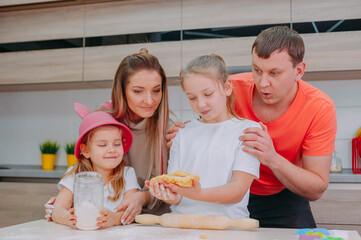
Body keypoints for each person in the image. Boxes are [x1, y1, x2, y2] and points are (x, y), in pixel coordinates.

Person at [167, 26, 337, 228]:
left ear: (298, 71)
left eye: (274, 73)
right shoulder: (232, 88)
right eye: (257, 70)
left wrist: (271, 158)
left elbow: (316, 189)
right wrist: (186, 131)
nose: (262, 83)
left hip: (282, 195)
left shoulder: (319, 107)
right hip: (229, 197)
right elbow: (205, 114)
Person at [46, 48, 171, 225]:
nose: (150, 101)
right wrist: (66, 206)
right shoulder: (104, 119)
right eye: (138, 91)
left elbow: (174, 186)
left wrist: (141, 198)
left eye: (156, 90)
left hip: (155, 222)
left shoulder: (171, 130)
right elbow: (85, 173)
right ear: (122, 91)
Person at [146, 54, 260, 218]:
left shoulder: (248, 131)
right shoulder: (182, 134)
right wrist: (168, 194)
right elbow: (177, 197)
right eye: (192, 98)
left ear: (227, 88)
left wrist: (197, 193)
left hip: (229, 230)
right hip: (183, 228)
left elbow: (237, 190)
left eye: (208, 94)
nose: (200, 104)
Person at [52, 102, 140, 229]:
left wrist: (114, 218)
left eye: (117, 144)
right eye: (102, 145)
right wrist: (67, 218)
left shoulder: (127, 174)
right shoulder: (75, 175)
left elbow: (130, 212)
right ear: (86, 150)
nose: (112, 150)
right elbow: (57, 209)